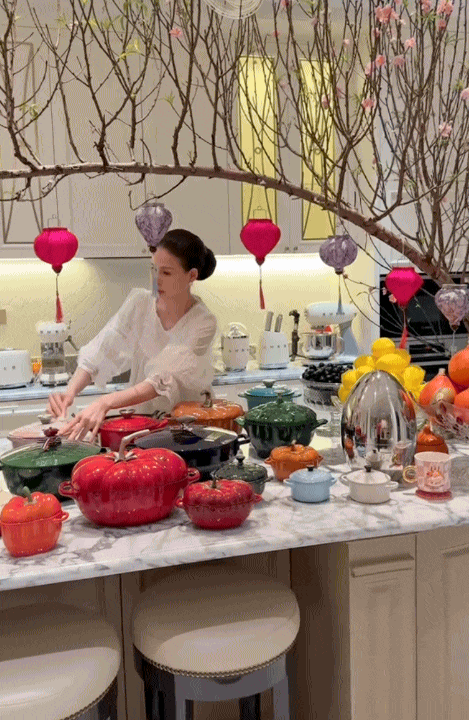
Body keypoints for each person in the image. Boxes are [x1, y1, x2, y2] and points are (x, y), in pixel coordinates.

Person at [47, 229, 217, 441]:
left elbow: (162, 379)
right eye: (153, 269)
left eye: (166, 273)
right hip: (142, 425)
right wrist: (69, 393)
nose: (156, 279)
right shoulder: (140, 304)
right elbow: (102, 349)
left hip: (187, 428)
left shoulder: (203, 322)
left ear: (191, 276)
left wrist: (105, 402)